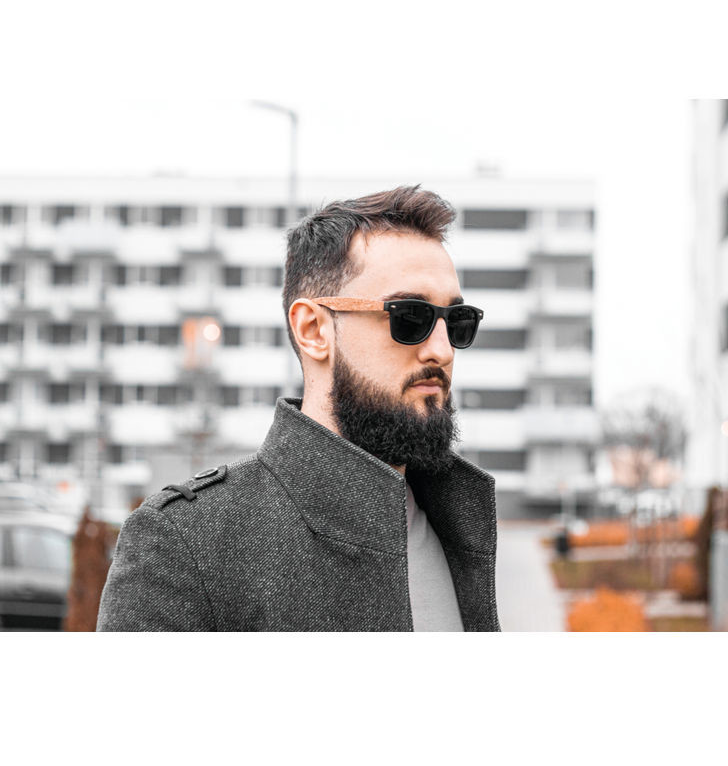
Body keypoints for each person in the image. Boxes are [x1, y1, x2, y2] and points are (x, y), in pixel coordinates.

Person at [97, 185, 500, 632]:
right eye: (410, 317)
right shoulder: (185, 545)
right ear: (313, 330)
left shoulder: (458, 526)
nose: (442, 350)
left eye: (457, 322)